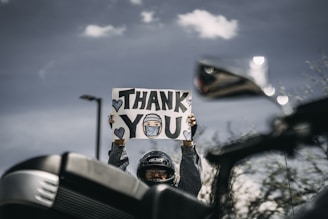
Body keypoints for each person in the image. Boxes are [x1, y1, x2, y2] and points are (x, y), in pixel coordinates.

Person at [107, 114, 202, 197]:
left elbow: (191, 182)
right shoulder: (134, 194)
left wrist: (188, 141)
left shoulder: (178, 198)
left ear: (169, 174)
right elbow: (117, 176)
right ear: (143, 174)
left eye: (161, 172)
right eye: (151, 172)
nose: (156, 175)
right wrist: (119, 140)